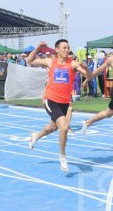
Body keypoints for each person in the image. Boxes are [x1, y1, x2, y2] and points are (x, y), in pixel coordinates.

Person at [27, 40, 93, 172]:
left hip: (64, 102)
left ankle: (36, 136)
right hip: (51, 100)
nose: (66, 50)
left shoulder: (73, 63)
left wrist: (85, 67)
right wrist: (38, 48)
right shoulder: (50, 61)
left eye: (68, 48)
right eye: (63, 48)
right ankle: (63, 156)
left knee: (52, 127)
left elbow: (90, 76)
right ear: (56, 50)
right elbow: (29, 60)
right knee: (64, 127)